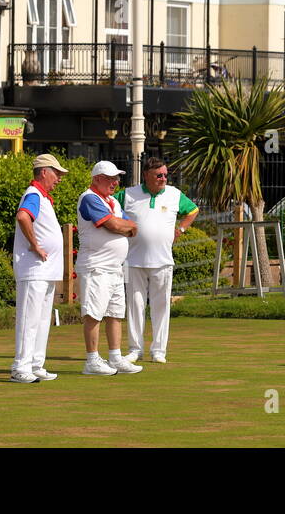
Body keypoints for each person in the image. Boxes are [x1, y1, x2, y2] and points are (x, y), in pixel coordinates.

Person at [118, 157, 199, 363]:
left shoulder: (174, 194)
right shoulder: (128, 194)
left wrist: (181, 228)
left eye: (165, 174)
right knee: (134, 306)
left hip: (163, 260)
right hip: (133, 260)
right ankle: (135, 350)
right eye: (158, 175)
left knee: (161, 305)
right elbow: (109, 208)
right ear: (146, 175)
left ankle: (158, 350)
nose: (163, 178)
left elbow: (193, 211)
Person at [76, 161, 143, 376]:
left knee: (115, 313)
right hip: (96, 267)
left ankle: (115, 357)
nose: (115, 182)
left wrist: (126, 226)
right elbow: (114, 225)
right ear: (96, 178)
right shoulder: (89, 198)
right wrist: (124, 226)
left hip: (115, 268)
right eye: (110, 178)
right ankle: (92, 360)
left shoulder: (112, 201)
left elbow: (132, 227)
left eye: (117, 178)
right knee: (94, 314)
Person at [10, 154, 68, 384]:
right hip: (33, 270)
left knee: (43, 320)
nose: (59, 179)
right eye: (56, 173)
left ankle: (36, 364)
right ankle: (20, 367)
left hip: (45, 271)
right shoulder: (33, 193)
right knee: (29, 319)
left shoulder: (43, 197)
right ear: (44, 172)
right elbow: (23, 217)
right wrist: (35, 245)